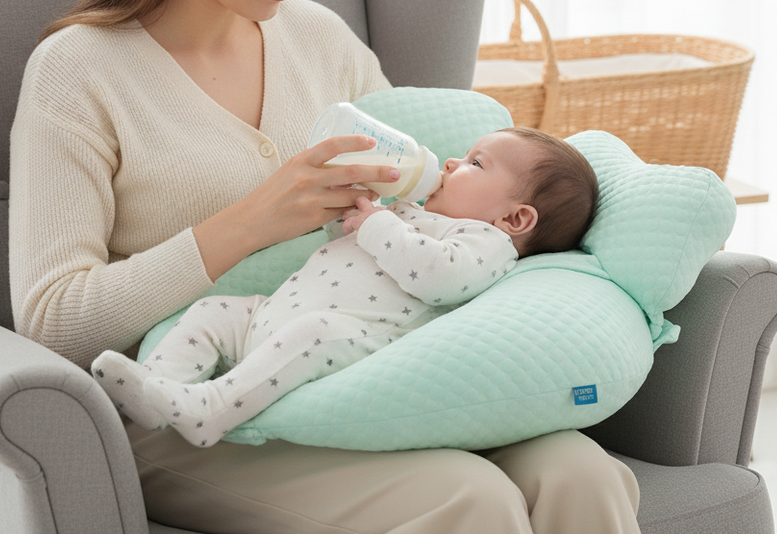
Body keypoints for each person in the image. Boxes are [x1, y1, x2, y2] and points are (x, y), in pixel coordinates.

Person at [9, 0, 642, 534]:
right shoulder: (78, 73)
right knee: (468, 499)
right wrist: (250, 221)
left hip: (367, 367)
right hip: (195, 398)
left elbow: (430, 196)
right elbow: (50, 320)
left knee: (580, 472)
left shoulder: (320, 42)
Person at [90, 126, 598, 447]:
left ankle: (211, 410)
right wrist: (360, 208)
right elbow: (346, 240)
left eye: (474, 163)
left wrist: (380, 224)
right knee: (213, 310)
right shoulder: (412, 212)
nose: (449, 163)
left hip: (346, 338)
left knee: (313, 331)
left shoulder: (483, 242)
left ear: (516, 217)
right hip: (273, 313)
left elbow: (441, 276)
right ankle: (157, 389)